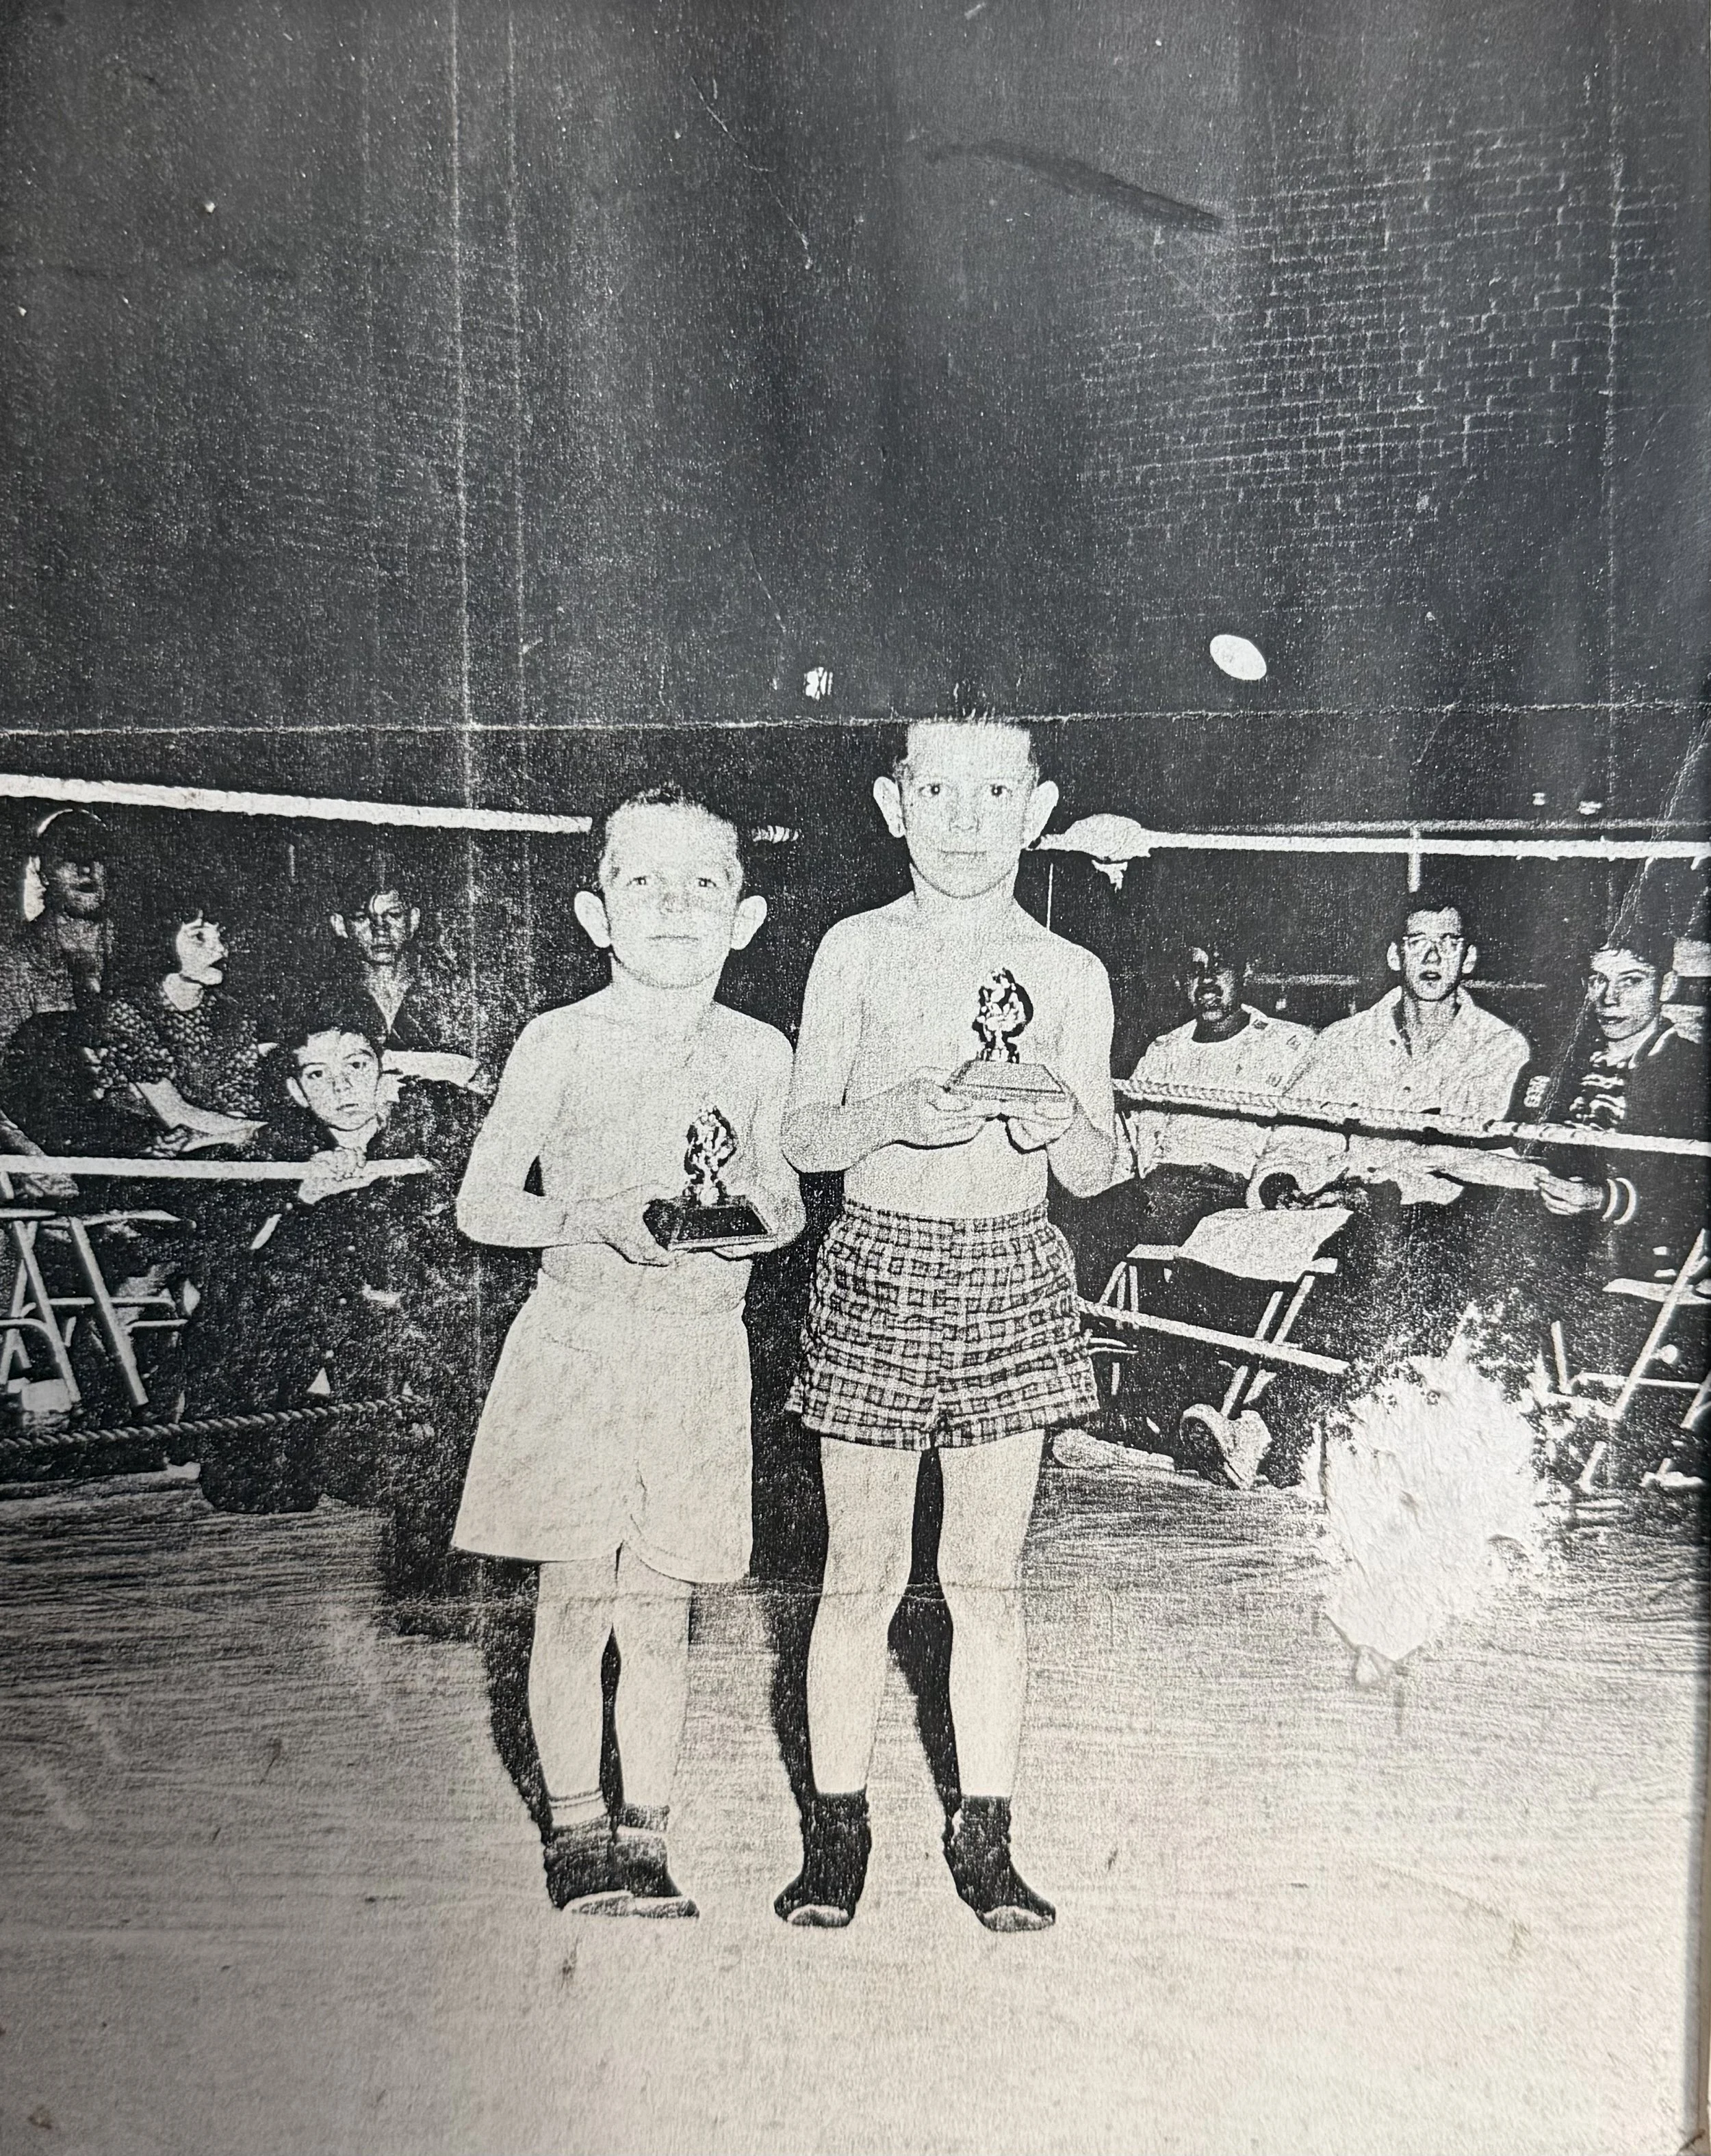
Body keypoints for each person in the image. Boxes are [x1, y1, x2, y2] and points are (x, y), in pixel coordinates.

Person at [777, 716, 1118, 1933]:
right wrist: (895, 1114)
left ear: (1037, 809)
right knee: (859, 1571)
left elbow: (1098, 1166)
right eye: (939, 791)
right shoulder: (853, 951)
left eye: (994, 792)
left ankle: (987, 1836)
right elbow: (803, 1136)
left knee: (984, 1573)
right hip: (876, 1262)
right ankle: (836, 1833)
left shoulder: (1072, 973)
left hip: (1012, 1268)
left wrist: (1056, 1121)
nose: (967, 819)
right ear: (893, 802)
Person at [450, 785, 804, 1917]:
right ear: (594, 912)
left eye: (705, 882)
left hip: (698, 1356)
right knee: (574, 1601)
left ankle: (645, 1824)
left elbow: (787, 1200)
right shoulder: (558, 1041)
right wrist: (590, 1216)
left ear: (744, 918)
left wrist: (755, 1208)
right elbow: (481, 1205)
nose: (675, 904)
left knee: (660, 1609)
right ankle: (573, 1825)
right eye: (642, 879)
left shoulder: (759, 1051)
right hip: (581, 1345)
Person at [1123, 935, 1316, 1240]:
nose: (1207, 980)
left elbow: (1304, 1142)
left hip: (1240, 1195)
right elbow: (1131, 1143)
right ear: (1180, 982)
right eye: (1194, 968)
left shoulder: (1289, 1044)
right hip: (1161, 1189)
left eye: (1220, 965)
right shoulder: (1164, 1050)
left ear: (1246, 971)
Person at [94, 902, 267, 1152]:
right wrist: (260, 1131)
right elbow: (173, 1113)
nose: (220, 950)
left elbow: (237, 1101)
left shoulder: (231, 1013)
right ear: (163, 940)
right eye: (198, 937)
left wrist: (245, 1133)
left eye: (221, 937)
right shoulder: (129, 1011)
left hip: (213, 1145)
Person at [328, 872, 487, 1092]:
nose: (380, 929)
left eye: (393, 915)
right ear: (340, 926)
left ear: (413, 920)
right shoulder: (326, 1002)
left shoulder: (451, 994)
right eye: (362, 918)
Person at [0, 809, 118, 1054]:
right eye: (69, 856)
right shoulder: (14, 965)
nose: (85, 869)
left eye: (97, 856)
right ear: (42, 870)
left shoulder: (135, 956)